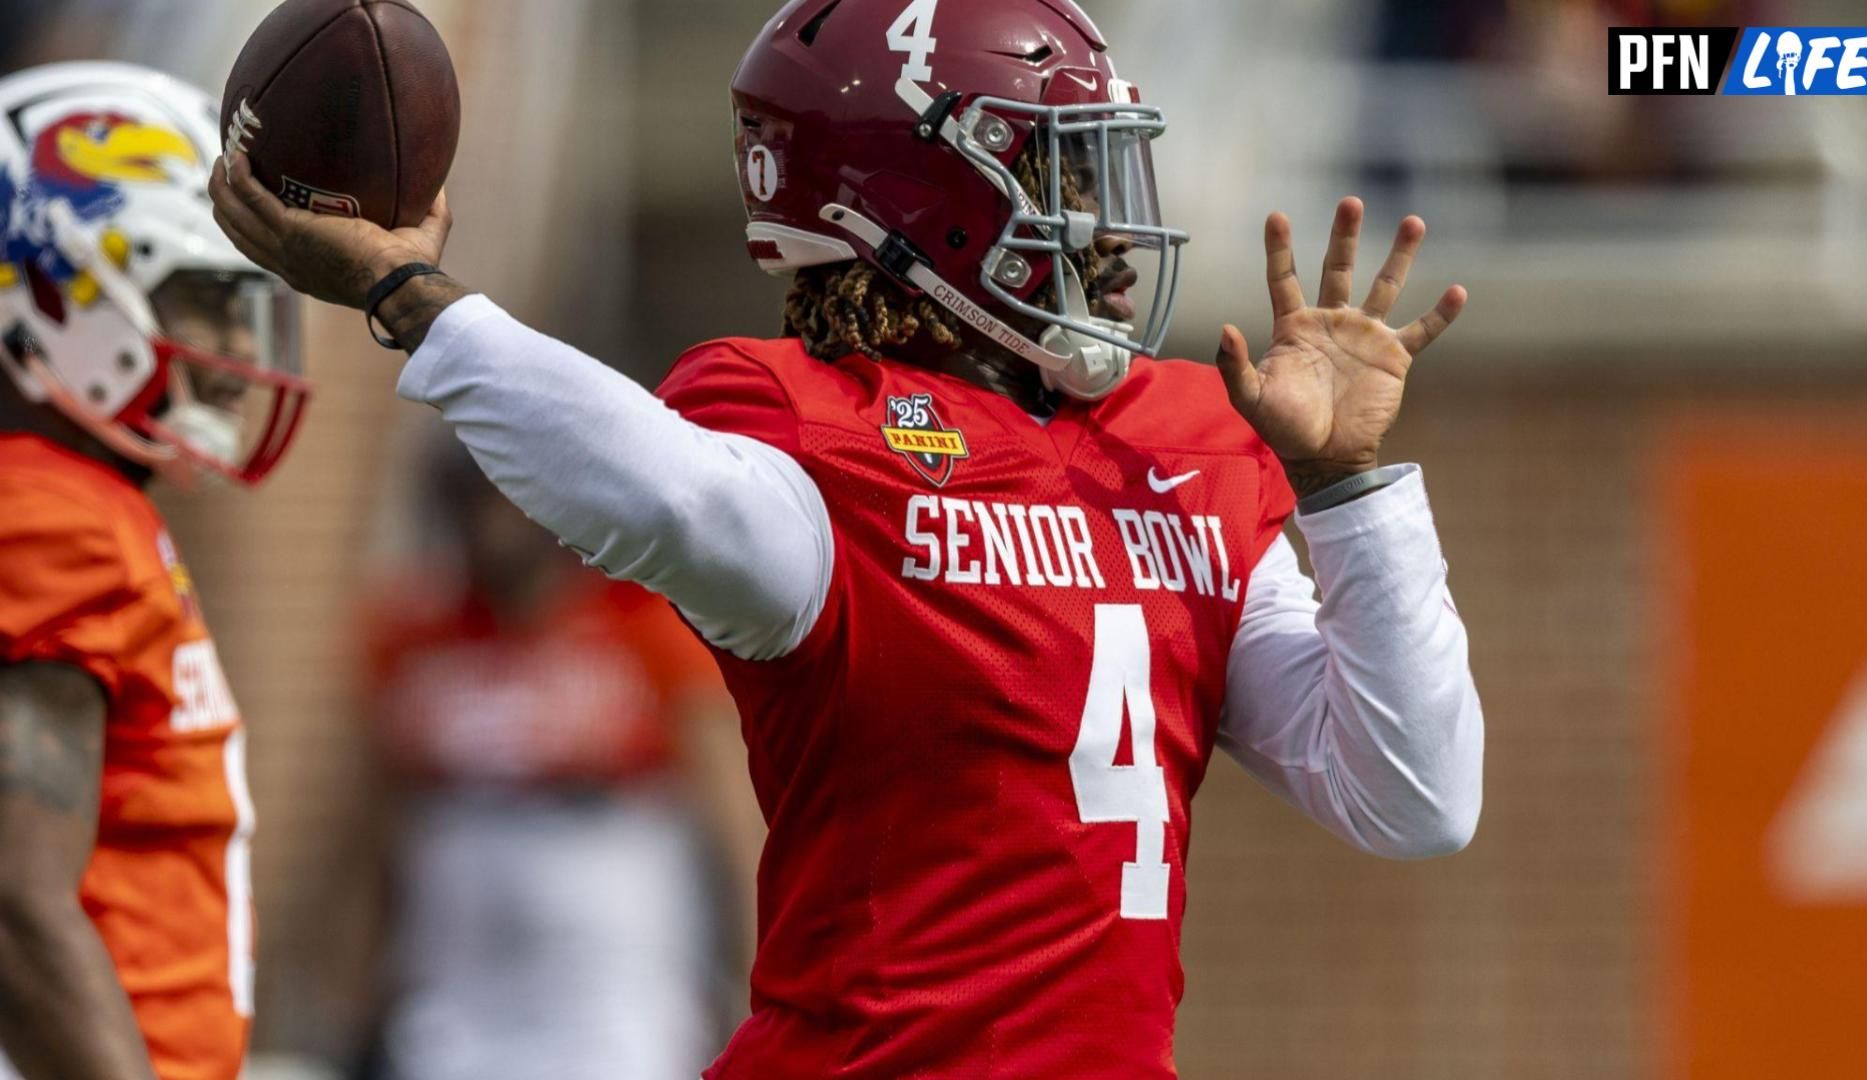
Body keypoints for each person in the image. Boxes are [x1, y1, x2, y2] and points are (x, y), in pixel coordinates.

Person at [209, 1, 1485, 1075]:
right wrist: (413, 297)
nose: (1103, 230)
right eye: (1060, 177)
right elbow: (662, 493)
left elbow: (1413, 795)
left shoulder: (1185, 450)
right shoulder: (820, 445)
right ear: (915, 201)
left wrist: (1348, 490)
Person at [0, 63, 310, 1080]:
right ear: (57, 289)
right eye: (203, 304)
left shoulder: (82, 505)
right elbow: (12, 897)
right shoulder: (55, 518)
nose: (229, 354)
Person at [354, 445, 741, 1080]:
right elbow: (377, 826)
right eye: (470, 504)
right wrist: (362, 987)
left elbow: (731, 825)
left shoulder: (643, 621)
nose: (487, 526)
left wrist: (749, 981)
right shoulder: (413, 633)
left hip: (610, 941)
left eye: (503, 501)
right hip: (457, 959)